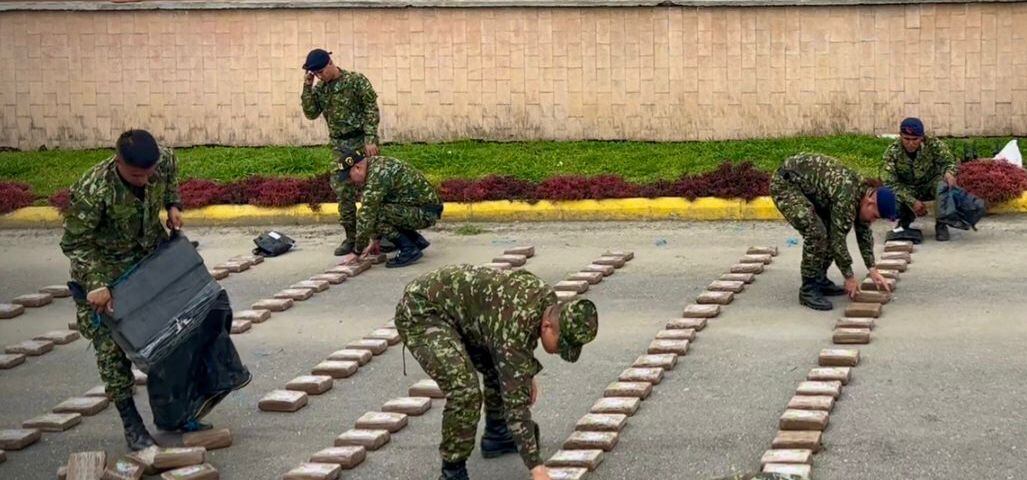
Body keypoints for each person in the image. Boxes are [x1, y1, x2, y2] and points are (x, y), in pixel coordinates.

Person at [395, 265, 599, 480]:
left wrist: (525, 372)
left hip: (467, 316)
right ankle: (452, 471)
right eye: (562, 345)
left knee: (502, 366)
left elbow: (511, 349)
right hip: (424, 311)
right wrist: (537, 467)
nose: (560, 352)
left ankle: (498, 433)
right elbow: (516, 406)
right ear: (547, 326)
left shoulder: (545, 300)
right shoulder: (517, 323)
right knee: (465, 390)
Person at [60, 129, 182, 450]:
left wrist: (172, 204)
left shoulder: (162, 160)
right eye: (135, 175)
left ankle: (171, 415)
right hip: (105, 280)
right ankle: (132, 424)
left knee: (166, 339)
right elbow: (75, 242)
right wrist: (97, 283)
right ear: (118, 162)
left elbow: (169, 175)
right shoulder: (92, 190)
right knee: (112, 353)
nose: (144, 180)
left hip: (147, 266)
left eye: (148, 173)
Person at [770, 153, 896, 311]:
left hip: (808, 189)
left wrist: (872, 268)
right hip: (786, 185)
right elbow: (838, 240)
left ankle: (820, 279)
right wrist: (849, 277)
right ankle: (808, 289)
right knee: (817, 234)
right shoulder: (848, 197)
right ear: (870, 202)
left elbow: (863, 232)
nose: (873, 220)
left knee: (828, 231)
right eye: (875, 216)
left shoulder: (862, 195)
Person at [300, 48, 383, 255]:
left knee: (371, 190)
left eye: (320, 72)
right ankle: (351, 238)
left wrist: (370, 138)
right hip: (339, 146)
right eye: (315, 74)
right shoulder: (320, 89)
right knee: (343, 191)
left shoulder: (356, 81)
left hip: (361, 142)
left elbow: (370, 109)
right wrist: (307, 87)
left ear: (330, 63)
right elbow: (310, 113)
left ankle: (380, 236)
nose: (319, 76)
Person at [335, 147, 442, 268]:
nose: (350, 181)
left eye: (349, 176)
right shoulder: (375, 165)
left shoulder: (377, 175)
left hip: (425, 213)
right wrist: (376, 239)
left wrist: (356, 251)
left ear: (357, 168)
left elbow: (367, 214)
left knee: (375, 214)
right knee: (378, 210)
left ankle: (409, 249)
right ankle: (415, 240)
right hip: (419, 208)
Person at [882, 117, 959, 242]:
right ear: (900, 136)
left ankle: (941, 224)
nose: (910, 143)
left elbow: (949, 161)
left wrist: (950, 172)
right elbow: (889, 182)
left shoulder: (933, 144)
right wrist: (912, 201)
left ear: (922, 137)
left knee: (943, 185)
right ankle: (904, 220)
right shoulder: (892, 152)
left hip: (930, 184)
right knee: (889, 196)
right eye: (906, 139)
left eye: (915, 139)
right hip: (907, 188)